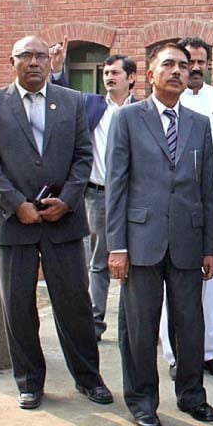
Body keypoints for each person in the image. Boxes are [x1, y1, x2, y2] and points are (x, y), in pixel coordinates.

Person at [0, 35, 113, 410]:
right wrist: (16, 204)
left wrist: (67, 201)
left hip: (62, 221)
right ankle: (30, 382)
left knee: (75, 304)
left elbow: (84, 157)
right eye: (26, 56)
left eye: (40, 55)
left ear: (49, 61)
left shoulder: (71, 101)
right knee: (18, 306)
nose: (35, 62)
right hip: (14, 223)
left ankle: (89, 379)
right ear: (12, 60)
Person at [105, 42, 213, 426]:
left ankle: (191, 395)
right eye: (167, 64)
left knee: (190, 324)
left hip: (187, 241)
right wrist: (116, 246)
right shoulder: (128, 119)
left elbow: (208, 188)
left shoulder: (199, 124)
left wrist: (211, 246)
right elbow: (116, 186)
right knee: (139, 326)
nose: (176, 71)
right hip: (140, 242)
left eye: (183, 66)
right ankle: (142, 402)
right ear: (149, 74)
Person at [158, 36, 213, 380]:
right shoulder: (166, 106)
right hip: (176, 209)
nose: (193, 67)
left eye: (200, 61)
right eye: (187, 60)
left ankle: (211, 352)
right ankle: (175, 353)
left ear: (208, 65)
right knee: (173, 281)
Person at [49, 40, 138, 343]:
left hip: (136, 197)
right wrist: (58, 68)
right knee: (99, 261)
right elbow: (62, 96)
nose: (109, 77)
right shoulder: (91, 105)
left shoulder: (143, 111)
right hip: (98, 195)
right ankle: (94, 323)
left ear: (132, 78)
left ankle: (140, 323)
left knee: (138, 261)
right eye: (106, 73)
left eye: (115, 73)